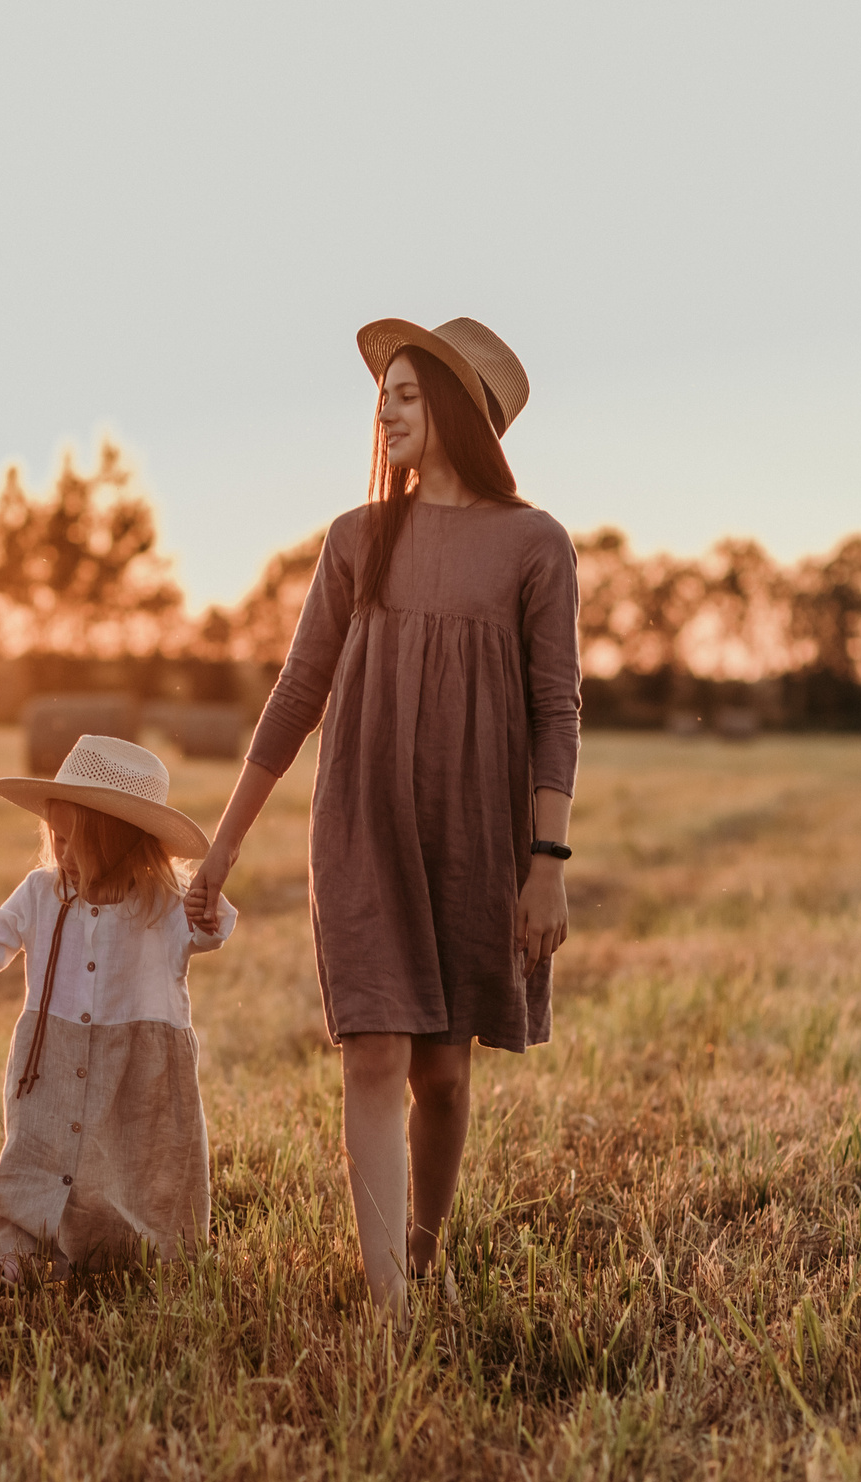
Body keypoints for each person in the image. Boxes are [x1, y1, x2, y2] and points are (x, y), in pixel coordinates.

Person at [185, 316, 581, 1319]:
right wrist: (222, 844)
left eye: (409, 392)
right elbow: (295, 692)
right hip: (360, 814)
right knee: (373, 1048)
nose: (386, 408)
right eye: (384, 393)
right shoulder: (356, 539)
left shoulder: (535, 545)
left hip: (475, 827)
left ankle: (424, 1243)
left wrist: (547, 860)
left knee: (442, 1075)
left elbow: (555, 706)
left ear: (459, 412)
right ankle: (390, 1303)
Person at [0, 736, 233, 1283]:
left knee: (139, 1164)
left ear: (120, 844)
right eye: (55, 838)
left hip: (143, 1070)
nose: (60, 853)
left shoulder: (166, 903)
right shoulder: (42, 891)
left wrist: (207, 909)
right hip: (51, 1062)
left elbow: (213, 929)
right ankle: (18, 1247)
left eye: (73, 842)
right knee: (37, 1152)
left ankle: (134, 1255)